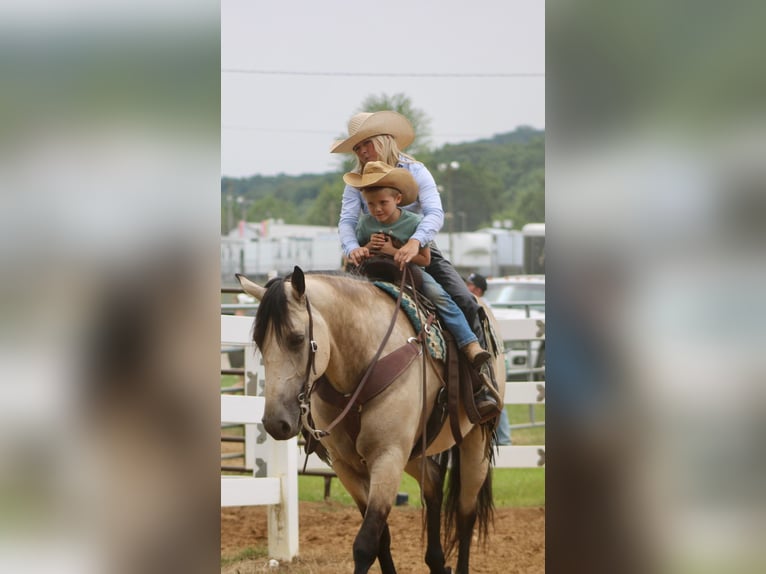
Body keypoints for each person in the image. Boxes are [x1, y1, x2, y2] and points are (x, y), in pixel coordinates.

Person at [332, 110, 501, 417]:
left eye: (365, 144)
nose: (361, 152)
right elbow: (347, 220)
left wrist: (415, 241)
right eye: (356, 148)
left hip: (417, 246)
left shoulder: (415, 170)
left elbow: (434, 212)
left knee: (463, 299)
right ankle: (330, 388)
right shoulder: (355, 180)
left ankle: (479, 383)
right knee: (334, 306)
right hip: (369, 250)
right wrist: (352, 247)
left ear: (382, 140)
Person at [467, 273, 511, 445]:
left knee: (494, 394)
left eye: (469, 285)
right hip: (491, 355)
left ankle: (504, 438)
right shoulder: (483, 306)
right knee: (494, 394)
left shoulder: (482, 307)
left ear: (477, 289)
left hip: (491, 356)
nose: (466, 286)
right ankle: (503, 437)